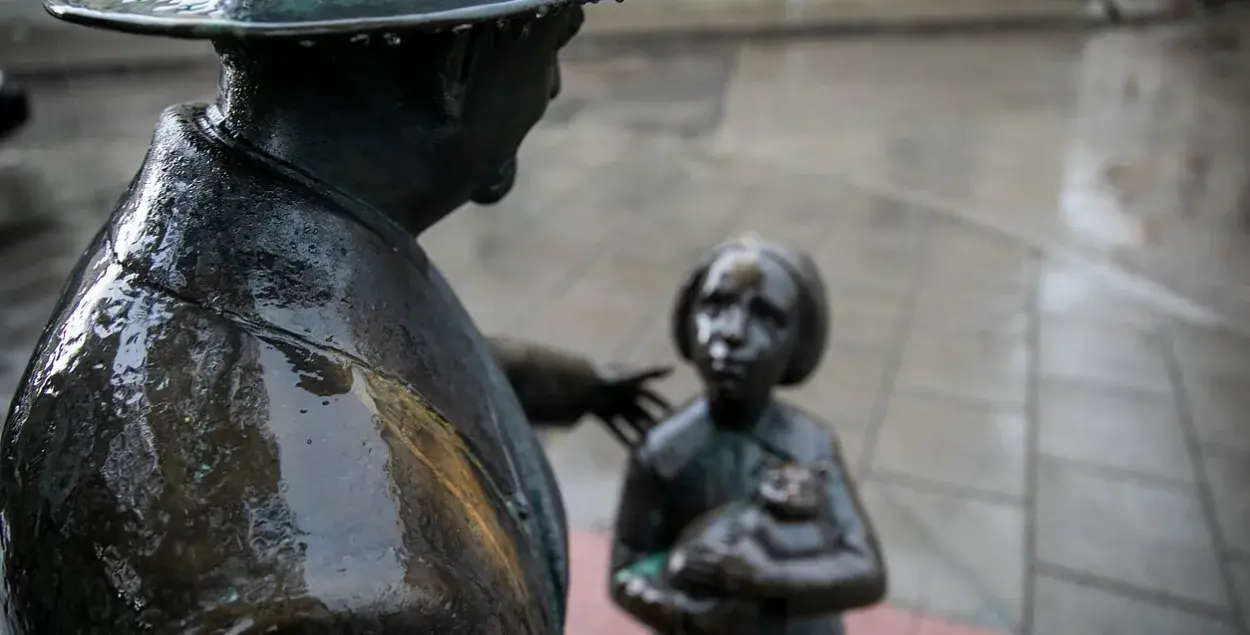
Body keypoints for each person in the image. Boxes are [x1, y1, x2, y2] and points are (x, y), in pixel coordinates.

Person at [0, 0, 670, 632]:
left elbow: (387, 371)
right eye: (554, 45)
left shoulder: (207, 245)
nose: (552, 86)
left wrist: (568, 384)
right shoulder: (367, 596)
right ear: (457, 66)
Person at [608, 236, 887, 635]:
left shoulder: (810, 446)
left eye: (767, 318)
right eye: (716, 307)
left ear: (798, 346)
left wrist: (764, 576)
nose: (734, 333)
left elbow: (865, 570)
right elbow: (629, 568)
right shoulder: (663, 453)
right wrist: (682, 615)